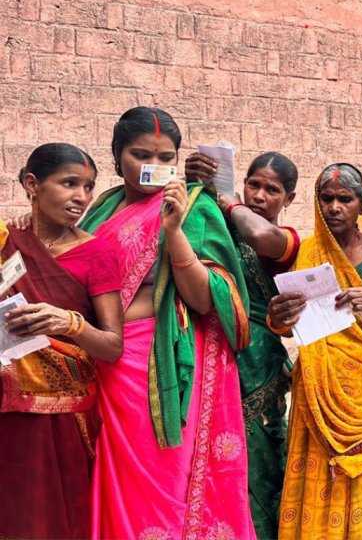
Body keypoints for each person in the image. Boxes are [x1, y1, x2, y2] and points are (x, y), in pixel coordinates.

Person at [81, 107, 255, 539]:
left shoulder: (194, 207)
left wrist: (174, 231)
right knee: (110, 474)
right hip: (103, 360)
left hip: (159, 367)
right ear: (116, 155)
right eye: (141, 155)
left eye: (165, 158)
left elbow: (206, 299)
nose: (153, 168)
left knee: (159, 479)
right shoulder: (102, 210)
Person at [268, 163, 362, 539]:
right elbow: (289, 326)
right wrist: (278, 317)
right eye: (326, 198)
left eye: (344, 199)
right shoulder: (308, 252)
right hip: (320, 393)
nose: (334, 206)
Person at [0, 144, 123, 539]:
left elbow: (111, 345)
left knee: (59, 523)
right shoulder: (6, 241)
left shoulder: (97, 252)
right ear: (32, 185)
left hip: (66, 419)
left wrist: (67, 322)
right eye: (69, 183)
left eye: (88, 187)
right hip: (8, 409)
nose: (82, 198)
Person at [185, 150, 301, 539]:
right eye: (254, 185)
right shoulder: (219, 228)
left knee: (264, 462)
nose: (260, 196)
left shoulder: (287, 241)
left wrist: (228, 197)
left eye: (273, 190)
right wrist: (194, 186)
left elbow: (259, 235)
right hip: (213, 359)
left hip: (260, 369)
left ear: (289, 199)